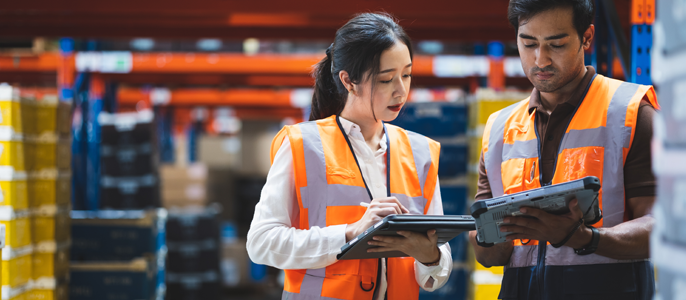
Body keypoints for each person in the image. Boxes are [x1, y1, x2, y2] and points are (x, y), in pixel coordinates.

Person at [247, 13, 452, 300]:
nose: (401, 90)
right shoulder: (302, 145)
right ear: (348, 81)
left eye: (406, 74)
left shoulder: (421, 153)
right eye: (386, 79)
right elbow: (261, 243)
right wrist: (349, 233)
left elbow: (436, 270)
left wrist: (430, 257)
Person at [468, 0, 659, 299]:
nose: (540, 59)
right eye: (528, 43)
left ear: (587, 37)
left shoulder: (632, 113)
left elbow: (663, 227)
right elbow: (488, 256)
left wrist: (583, 237)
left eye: (555, 44)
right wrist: (488, 238)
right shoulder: (498, 129)